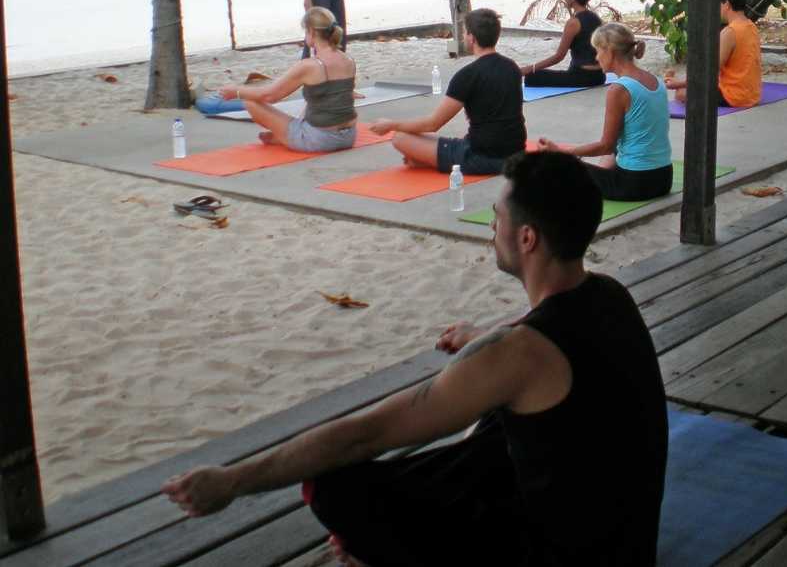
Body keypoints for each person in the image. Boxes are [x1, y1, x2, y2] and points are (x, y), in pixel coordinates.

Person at [162, 151, 669, 567]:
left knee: (337, 485)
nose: (491, 228)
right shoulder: (608, 294)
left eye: (497, 218)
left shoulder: (515, 356)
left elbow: (369, 433)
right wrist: (482, 334)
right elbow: (539, 330)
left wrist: (232, 481)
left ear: (527, 238)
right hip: (625, 543)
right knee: (497, 429)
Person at [367, 8, 526, 175]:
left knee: (400, 138)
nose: (464, 37)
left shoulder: (467, 75)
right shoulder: (512, 67)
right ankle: (427, 159)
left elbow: (433, 124)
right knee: (436, 142)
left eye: (465, 33)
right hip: (516, 153)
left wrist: (392, 125)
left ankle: (428, 161)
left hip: (480, 156)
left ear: (472, 38)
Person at [539, 22, 673, 201]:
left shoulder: (619, 89)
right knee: (612, 153)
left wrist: (562, 152)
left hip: (636, 183)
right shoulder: (656, 80)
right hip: (663, 178)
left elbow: (606, 146)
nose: (596, 56)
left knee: (555, 166)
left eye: (598, 50)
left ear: (609, 51)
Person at [216, 7, 357, 151]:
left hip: (320, 140)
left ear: (312, 32)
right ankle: (284, 136)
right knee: (316, 99)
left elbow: (269, 95)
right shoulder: (349, 60)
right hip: (349, 137)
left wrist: (237, 92)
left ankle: (286, 137)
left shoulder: (310, 65)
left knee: (250, 102)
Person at [664, 0, 762, 108]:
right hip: (753, 95)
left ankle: (672, 80)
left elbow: (709, 72)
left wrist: (678, 84)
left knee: (681, 93)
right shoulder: (751, 26)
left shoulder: (730, 32)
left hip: (735, 97)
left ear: (726, 4)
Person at [520, 0, 606, 89]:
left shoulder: (573, 23)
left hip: (583, 77)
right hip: (599, 76)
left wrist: (530, 68)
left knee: (532, 77)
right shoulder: (596, 18)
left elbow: (559, 57)